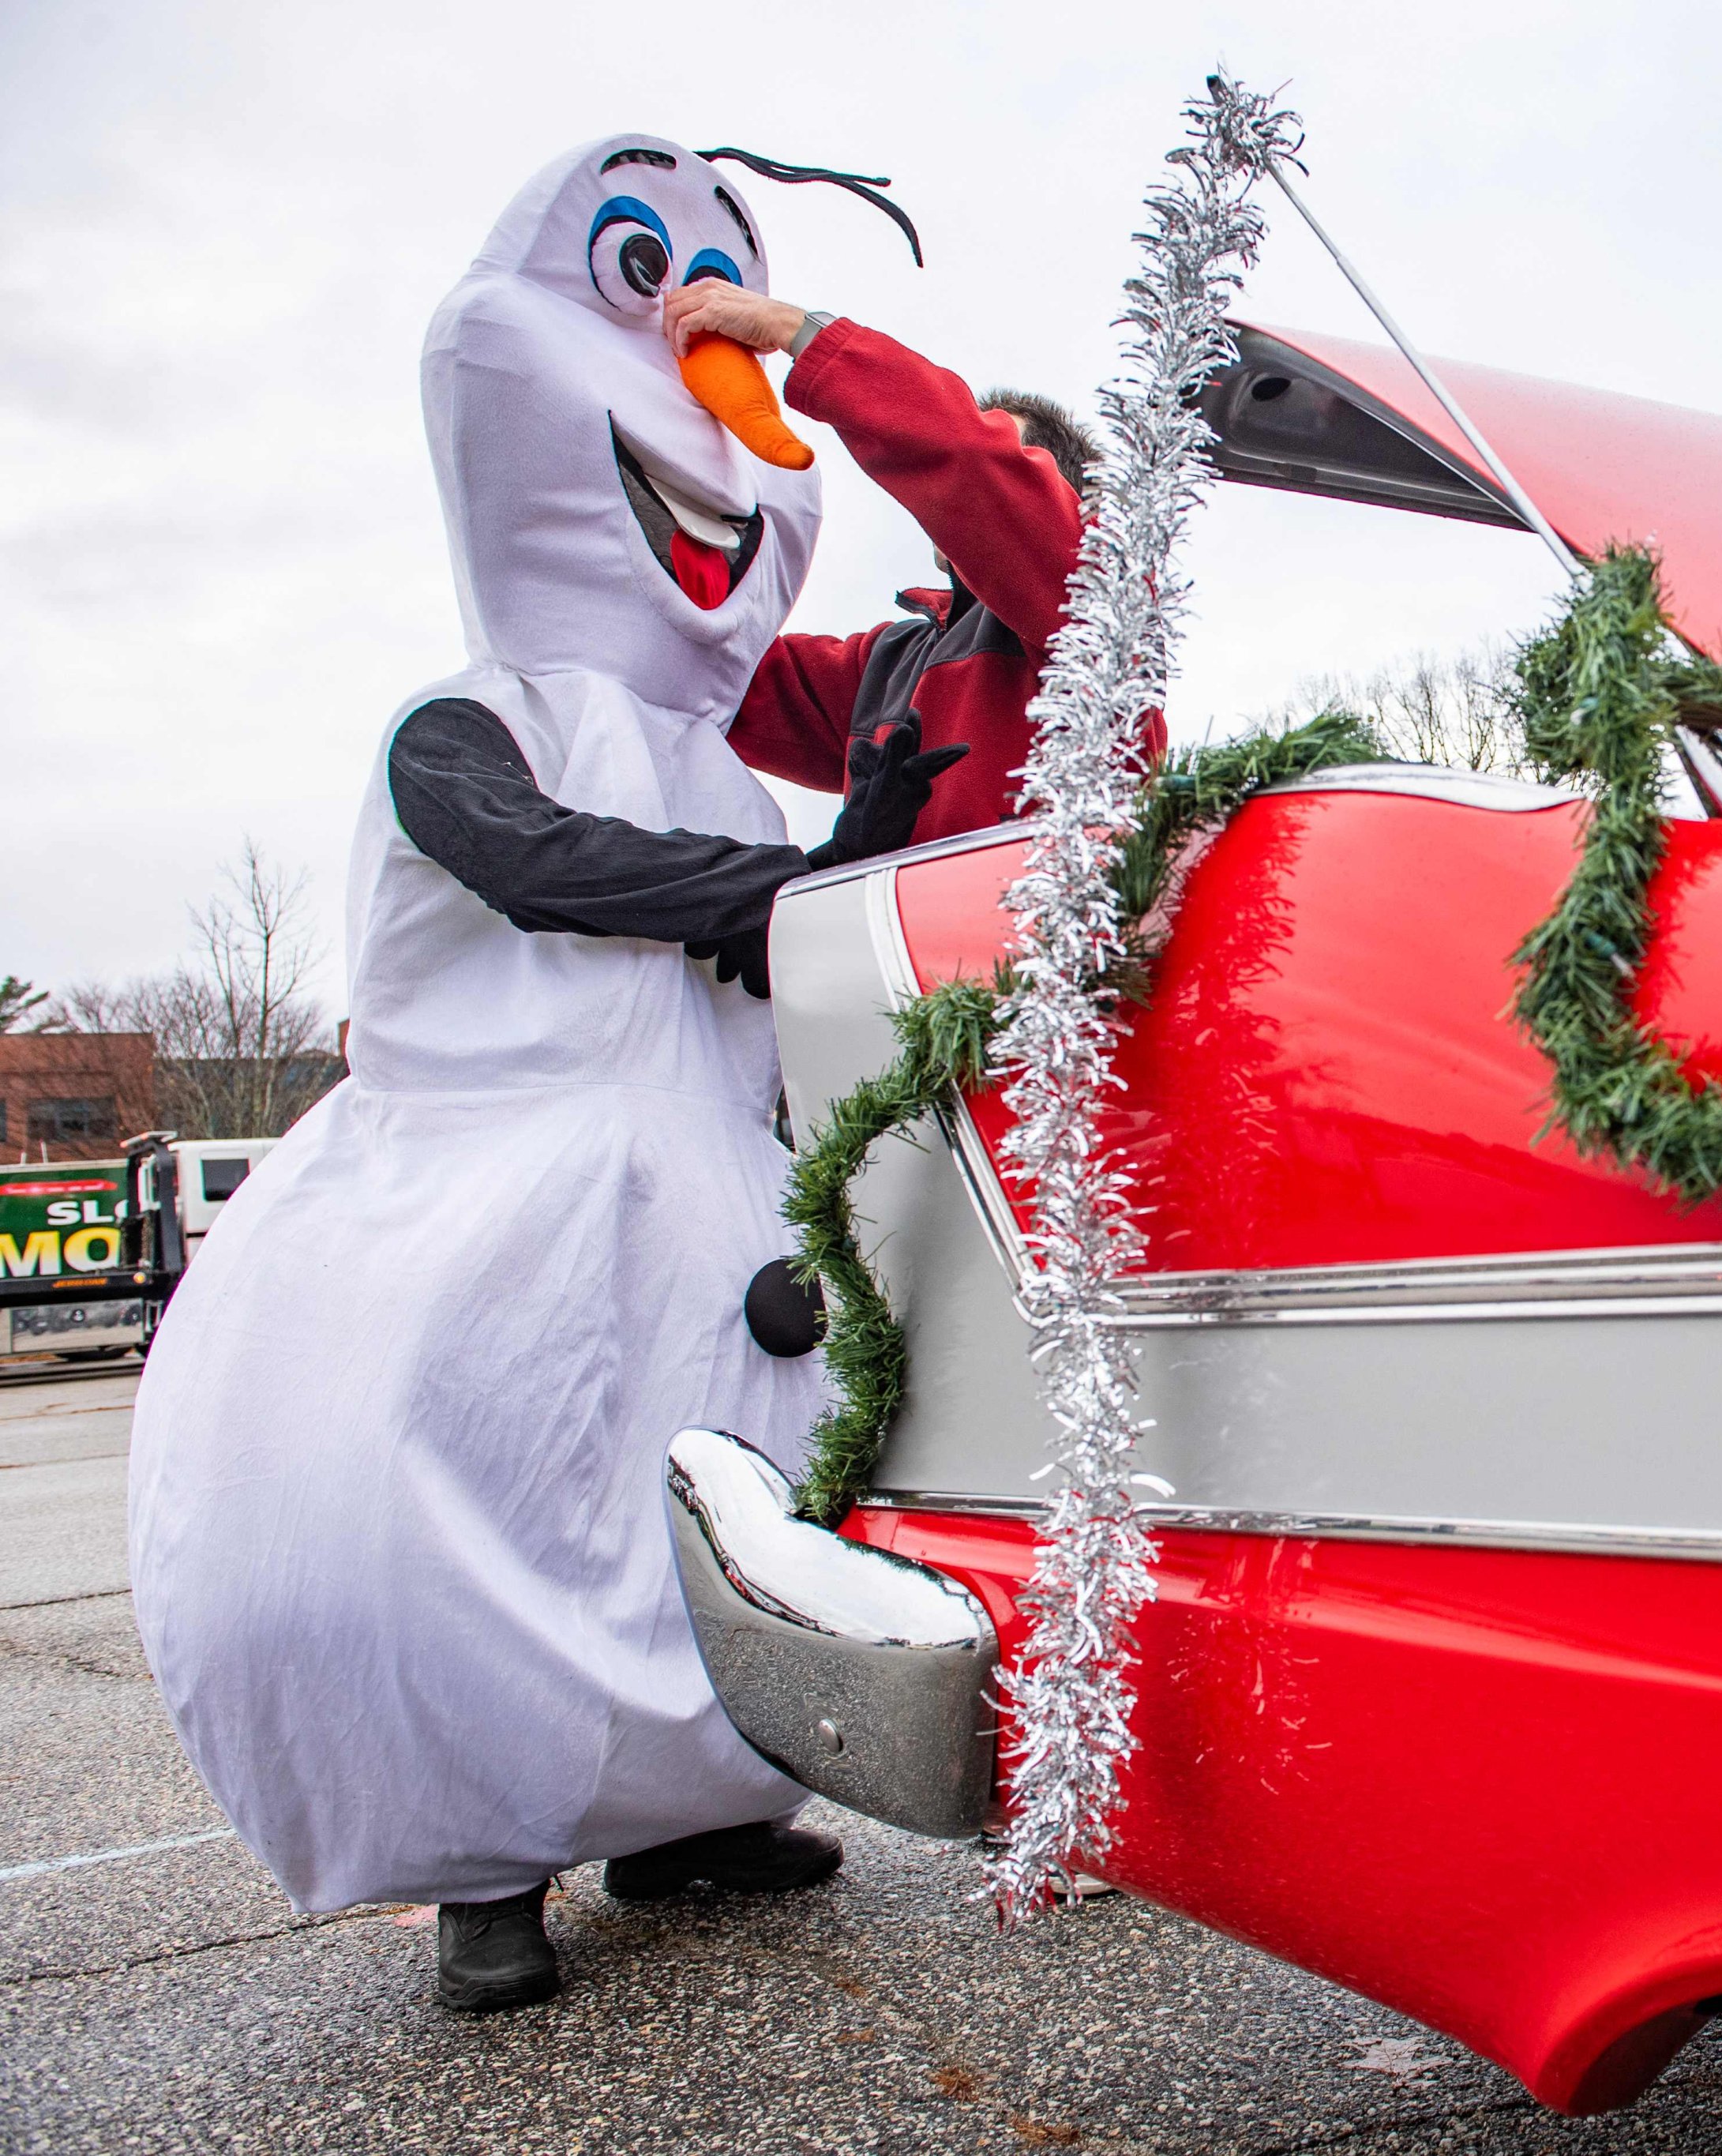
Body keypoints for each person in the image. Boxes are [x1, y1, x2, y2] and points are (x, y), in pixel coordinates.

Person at [127, 135, 957, 2017]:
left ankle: (694, 1805)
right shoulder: (469, 720)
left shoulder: (718, 759)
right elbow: (549, 865)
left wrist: (899, 784)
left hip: (705, 1228)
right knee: (447, 1508)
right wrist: (788, 884)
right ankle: (484, 1863)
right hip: (473, 1221)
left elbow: (795, 925)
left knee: (698, 1512)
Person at [660, 282, 1161, 836]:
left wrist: (801, 332)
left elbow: (966, 456)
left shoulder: (1101, 610)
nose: (962, 487)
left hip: (1042, 919)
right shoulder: (886, 663)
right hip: (889, 923)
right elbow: (707, 673)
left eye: (1008, 464)